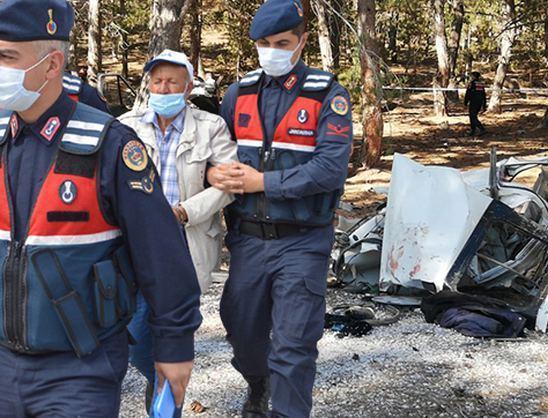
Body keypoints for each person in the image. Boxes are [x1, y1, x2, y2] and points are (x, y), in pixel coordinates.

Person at [0, 1, 202, 416]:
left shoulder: (110, 145)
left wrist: (175, 345)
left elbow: (161, 255)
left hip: (78, 369)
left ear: (51, 65)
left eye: (6, 56)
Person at [209, 0, 353, 416]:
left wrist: (263, 182)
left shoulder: (328, 94)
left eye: (283, 42)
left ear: (302, 41)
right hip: (248, 238)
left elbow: (330, 168)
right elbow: (217, 155)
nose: (273, 50)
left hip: (303, 240)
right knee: (242, 331)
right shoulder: (239, 93)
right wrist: (212, 175)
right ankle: (258, 382)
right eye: (264, 43)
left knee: (293, 344)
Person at [118, 49, 237, 410]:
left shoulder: (210, 126)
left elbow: (229, 183)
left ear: (187, 88)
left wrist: (185, 211)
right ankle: (159, 382)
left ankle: (165, 405)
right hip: (137, 249)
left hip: (186, 248)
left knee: (173, 341)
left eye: (172, 81)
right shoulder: (126, 127)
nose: (163, 87)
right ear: (148, 85)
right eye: (157, 81)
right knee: (138, 339)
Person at [464, 71, 487, 136]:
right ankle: (473, 130)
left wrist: (465, 102)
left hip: (473, 102)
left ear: (474, 76)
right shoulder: (481, 84)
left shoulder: (472, 84)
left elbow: (468, 93)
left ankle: (481, 128)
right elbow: (484, 95)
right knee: (473, 116)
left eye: (471, 76)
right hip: (479, 102)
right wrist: (484, 105)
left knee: (472, 116)